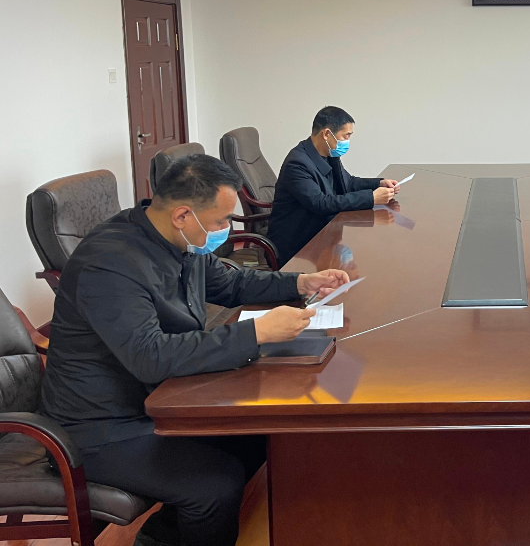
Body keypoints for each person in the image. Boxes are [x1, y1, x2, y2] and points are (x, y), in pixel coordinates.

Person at [40, 154, 351, 546]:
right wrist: (256, 333)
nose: (225, 230)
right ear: (182, 215)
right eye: (220, 221)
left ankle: (161, 537)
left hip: (160, 400)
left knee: (261, 436)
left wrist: (300, 282)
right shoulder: (109, 263)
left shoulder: (178, 240)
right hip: (97, 429)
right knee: (214, 485)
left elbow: (231, 284)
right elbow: (149, 356)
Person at [268, 105, 399, 264]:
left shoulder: (328, 153)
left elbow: (349, 182)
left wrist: (378, 183)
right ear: (326, 134)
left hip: (323, 232)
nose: (347, 141)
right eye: (346, 136)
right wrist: (371, 198)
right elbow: (321, 203)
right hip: (298, 244)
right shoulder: (297, 164)